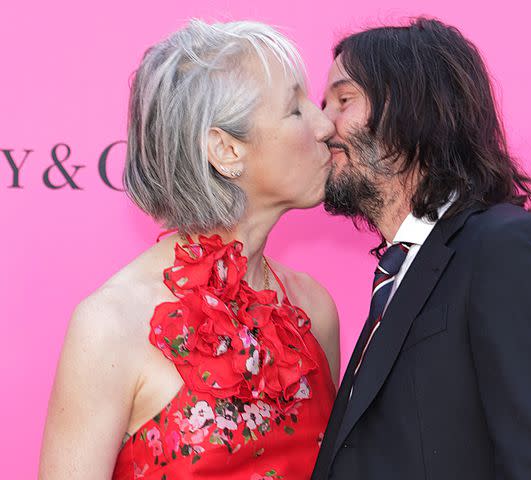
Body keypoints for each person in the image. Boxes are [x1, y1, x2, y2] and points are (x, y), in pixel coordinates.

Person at [39, 19, 340, 480]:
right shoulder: (111, 325)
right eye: (295, 110)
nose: (325, 125)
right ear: (225, 150)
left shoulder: (312, 308)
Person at [313, 17, 531, 479]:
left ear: (413, 108)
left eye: (343, 101)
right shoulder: (399, 274)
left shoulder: (512, 252)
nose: (320, 125)